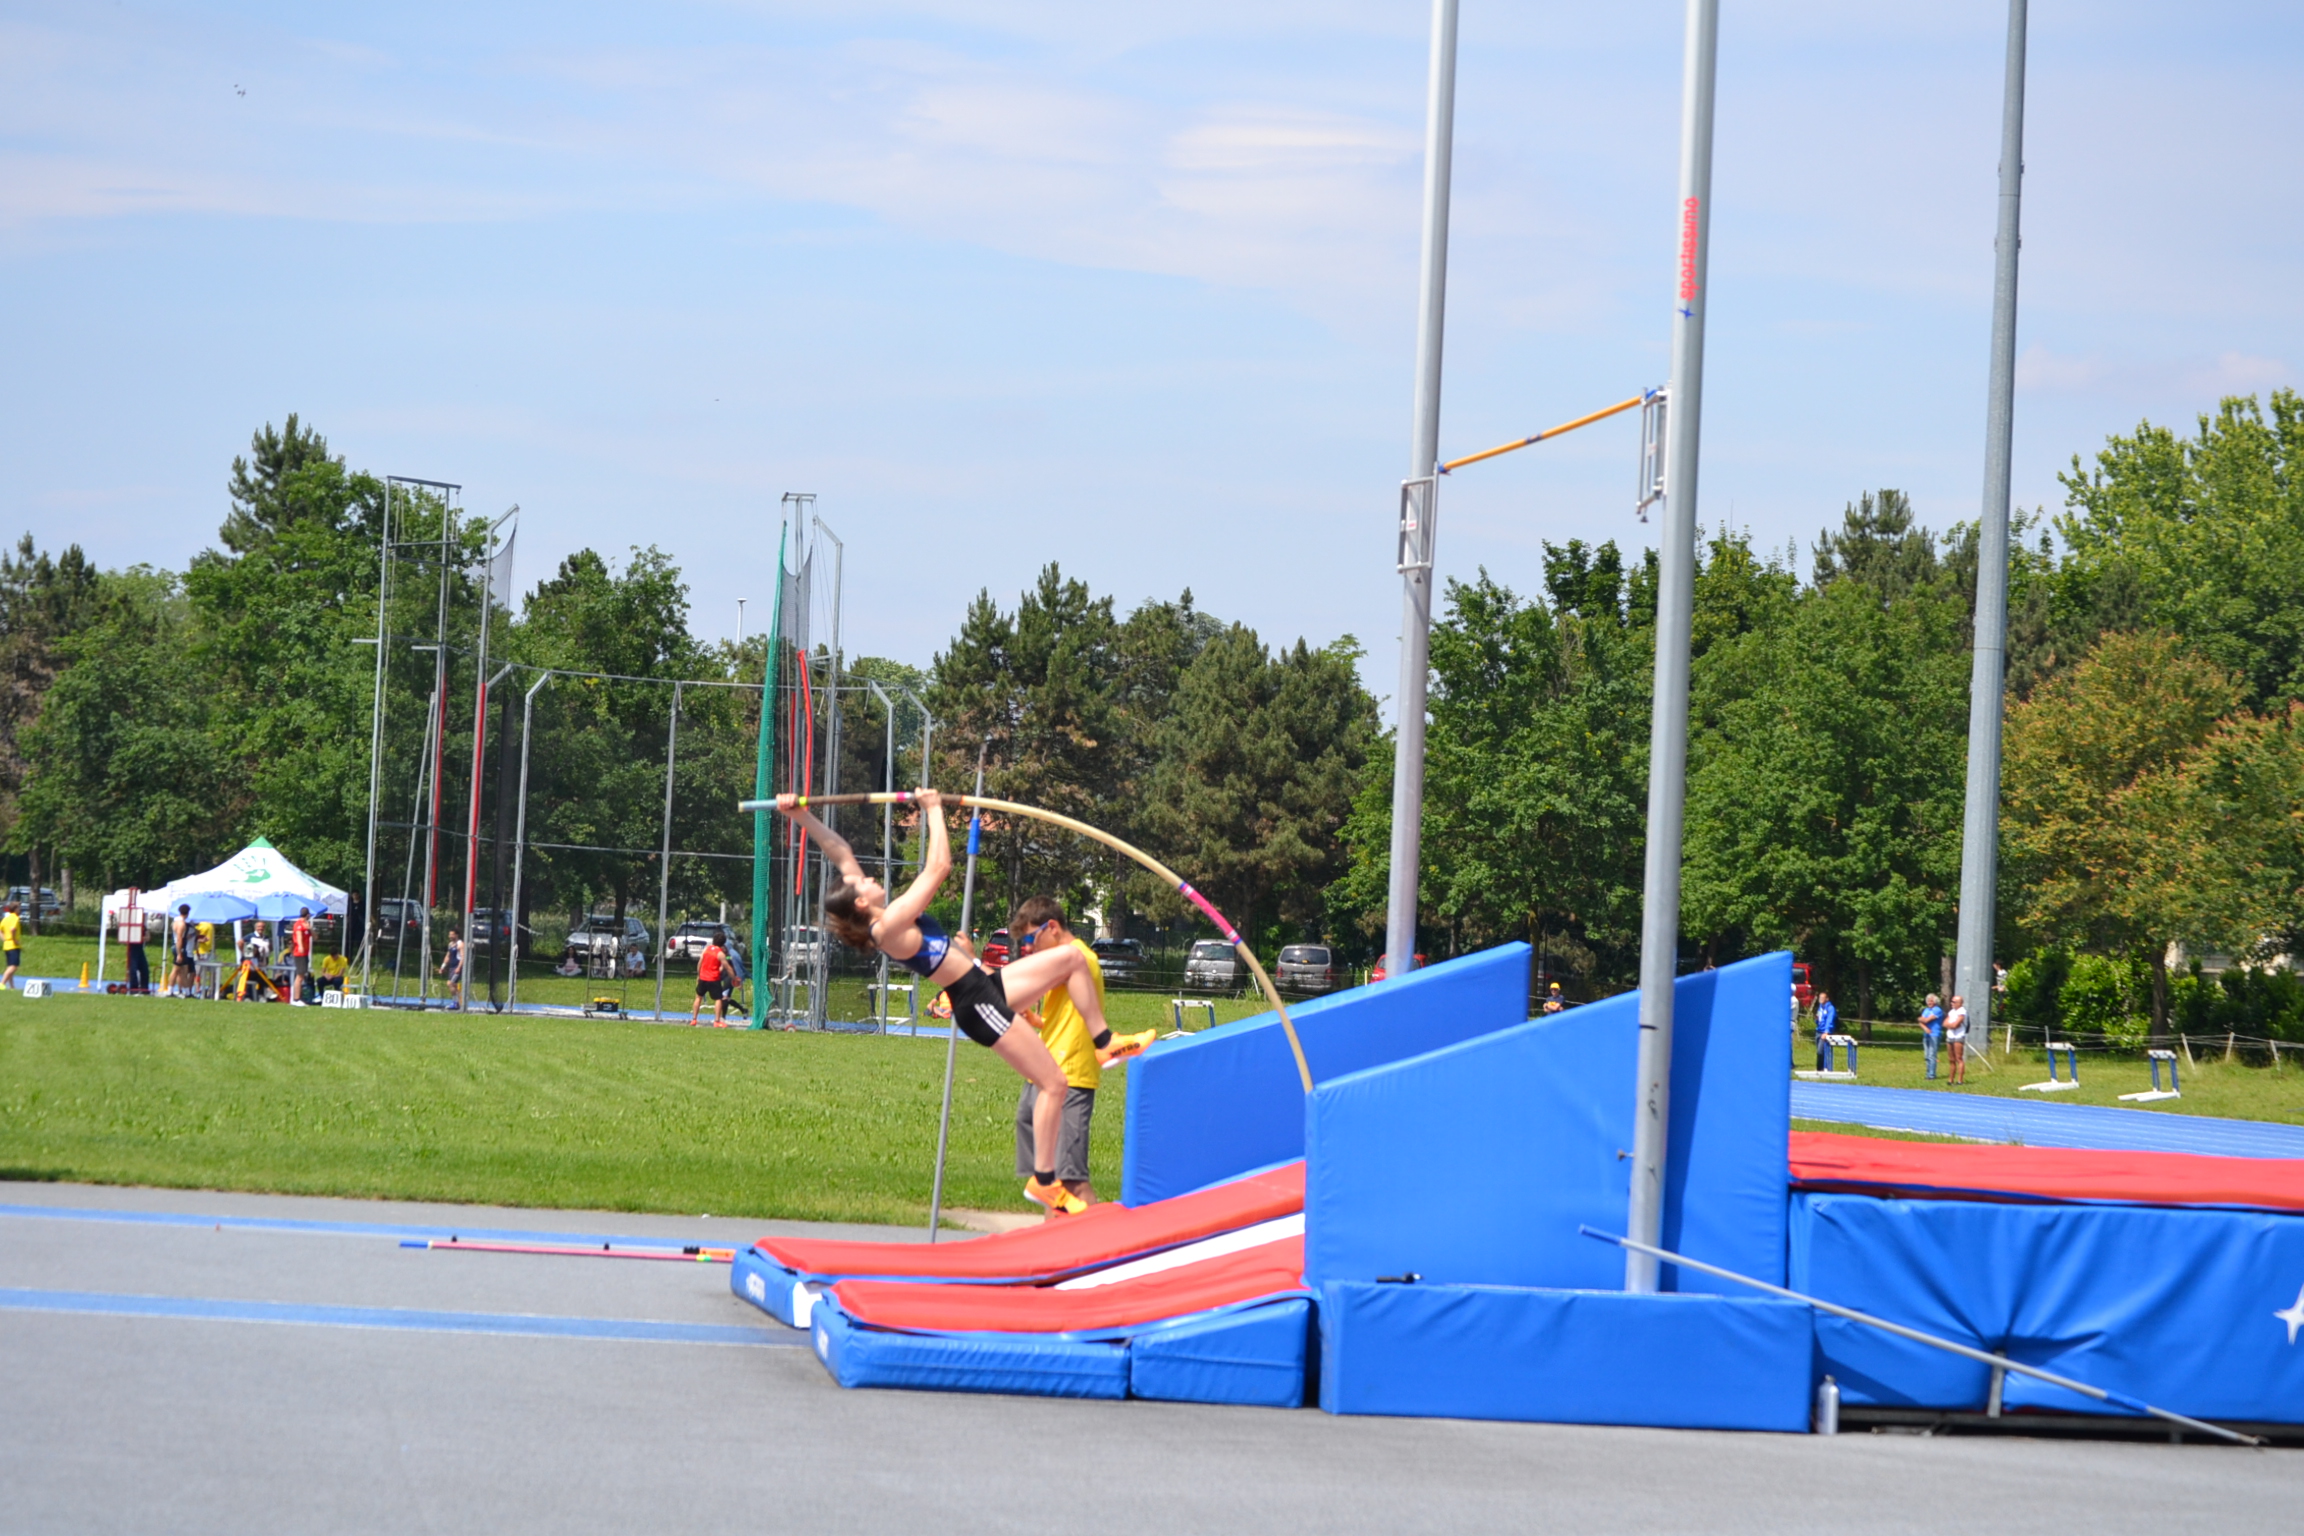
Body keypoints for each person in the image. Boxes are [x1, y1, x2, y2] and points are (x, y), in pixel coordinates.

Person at [776, 789, 1136, 1216]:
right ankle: (1044, 1182)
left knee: (1073, 959)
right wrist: (932, 809)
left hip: (984, 983)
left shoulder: (880, 911)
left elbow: (840, 851)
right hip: (975, 1003)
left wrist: (800, 816)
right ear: (860, 902)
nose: (870, 877)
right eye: (864, 882)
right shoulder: (889, 926)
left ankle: (1103, 1042)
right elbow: (939, 867)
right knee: (1055, 1084)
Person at [1003, 898, 1150, 1211]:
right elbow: (1063, 1015)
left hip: (1069, 1077)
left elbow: (1011, 991)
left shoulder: (1078, 958)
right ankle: (1055, 1243)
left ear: (1052, 928)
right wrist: (1037, 1020)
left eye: (1031, 938)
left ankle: (1095, 1242)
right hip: (1043, 1072)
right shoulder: (1061, 963)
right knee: (1049, 1184)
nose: (1028, 948)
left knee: (1072, 1180)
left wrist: (976, 972)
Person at [690, 936, 734, 1026]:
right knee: (718, 999)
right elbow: (727, 967)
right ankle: (717, 1021)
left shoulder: (706, 949)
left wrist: (699, 974)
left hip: (703, 978)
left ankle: (694, 1019)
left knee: (698, 997)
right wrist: (734, 978)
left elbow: (700, 963)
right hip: (713, 979)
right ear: (723, 943)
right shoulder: (720, 953)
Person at [119, 890, 151, 994]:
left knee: (144, 969)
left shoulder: (142, 926)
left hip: (140, 948)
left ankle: (144, 988)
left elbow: (148, 937)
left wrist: (144, 937)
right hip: (133, 948)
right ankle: (134, 988)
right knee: (133, 969)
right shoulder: (131, 924)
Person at [288, 907, 315, 1003]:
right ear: (307, 915)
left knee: (302, 975)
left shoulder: (307, 925)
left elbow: (315, 937)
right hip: (299, 953)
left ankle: (298, 998)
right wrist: (300, 946)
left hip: (305, 953)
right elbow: (298, 936)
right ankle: (296, 999)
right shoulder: (298, 924)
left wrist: (310, 929)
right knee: (299, 976)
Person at [170, 904, 198, 996]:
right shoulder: (181, 924)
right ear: (188, 913)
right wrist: (179, 953)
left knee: (184, 970)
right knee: (176, 970)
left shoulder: (175, 921)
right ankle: (170, 991)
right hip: (180, 948)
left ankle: (187, 992)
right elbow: (179, 938)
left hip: (180, 947)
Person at [1917, 993, 1944, 1081]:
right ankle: (1928, 1073)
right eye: (1928, 1001)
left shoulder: (1937, 1010)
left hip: (1934, 1035)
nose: (1929, 1002)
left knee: (1932, 1055)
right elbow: (1920, 1021)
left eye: (1931, 1001)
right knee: (1926, 1055)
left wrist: (1922, 1019)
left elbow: (1926, 1020)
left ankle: (1932, 1075)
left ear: (1935, 1002)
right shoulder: (1926, 1010)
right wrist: (1925, 1028)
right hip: (1926, 1034)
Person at [1944, 994, 1970, 1085]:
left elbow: (1956, 1024)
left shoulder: (1962, 1011)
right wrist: (1950, 1025)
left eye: (1954, 1002)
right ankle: (1950, 1079)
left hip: (1959, 1036)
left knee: (1959, 1058)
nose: (1952, 1003)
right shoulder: (1951, 1012)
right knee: (1951, 1059)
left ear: (1960, 1003)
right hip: (1950, 1036)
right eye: (1951, 1001)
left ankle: (1960, 1080)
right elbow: (1945, 1023)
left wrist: (1951, 1025)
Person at [1813, 990, 1838, 1072]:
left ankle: (1821, 1069)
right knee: (1819, 1051)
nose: (1820, 999)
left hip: (1824, 1032)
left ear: (1827, 999)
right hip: (1818, 1030)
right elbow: (1820, 1019)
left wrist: (1826, 1032)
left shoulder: (1830, 1008)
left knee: (1820, 1051)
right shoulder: (1820, 1007)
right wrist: (1816, 1020)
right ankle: (1820, 1068)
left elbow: (1829, 1021)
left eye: (1822, 998)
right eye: (1820, 997)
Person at [437, 933, 464, 1004]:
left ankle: (455, 1002)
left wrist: (459, 967)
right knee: (454, 985)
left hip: (457, 967)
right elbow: (448, 956)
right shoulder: (450, 944)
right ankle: (459, 1001)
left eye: (452, 935)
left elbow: (463, 957)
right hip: (452, 967)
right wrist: (442, 967)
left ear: (456, 935)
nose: (450, 936)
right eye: (449, 935)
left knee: (450, 983)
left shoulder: (460, 944)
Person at [0, 900, 21, 989]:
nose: (20, 910)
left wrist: (4, 939)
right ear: (15, 909)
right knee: (13, 966)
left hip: (7, 945)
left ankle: (12, 986)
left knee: (10, 966)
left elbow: (0, 930)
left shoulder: (6, 919)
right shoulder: (15, 918)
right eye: (19, 908)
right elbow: (13, 929)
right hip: (13, 945)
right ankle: (2, 983)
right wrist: (14, 939)